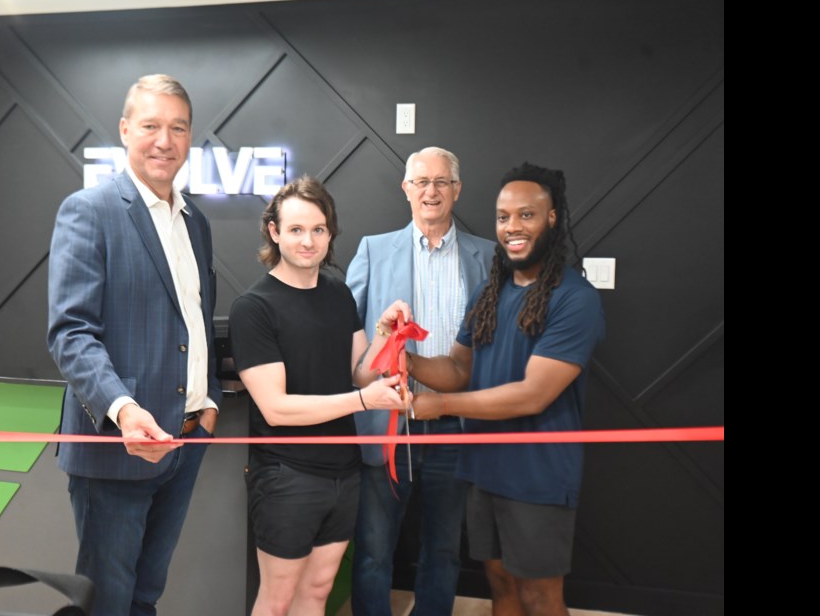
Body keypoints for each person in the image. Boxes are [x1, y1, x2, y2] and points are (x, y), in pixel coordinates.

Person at [47, 74, 220, 616]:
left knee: (145, 595)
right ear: (125, 130)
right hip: (117, 450)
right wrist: (123, 411)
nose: (164, 140)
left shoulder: (196, 223)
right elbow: (71, 332)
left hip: (183, 444)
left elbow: (193, 321)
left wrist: (208, 402)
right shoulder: (89, 210)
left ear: (191, 138)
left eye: (177, 128)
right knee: (107, 600)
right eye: (150, 126)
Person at [408, 162, 605, 616]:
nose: (511, 227)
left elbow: (533, 394)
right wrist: (405, 359)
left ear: (551, 217)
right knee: (501, 587)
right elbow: (459, 367)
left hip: (538, 476)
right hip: (483, 468)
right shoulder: (489, 291)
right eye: (502, 216)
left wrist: (440, 406)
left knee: (540, 596)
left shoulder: (576, 299)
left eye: (526, 215)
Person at [229, 176, 410, 616]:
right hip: (286, 474)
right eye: (295, 230)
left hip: (343, 471)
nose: (307, 241)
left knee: (319, 590)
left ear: (330, 233)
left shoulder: (338, 292)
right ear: (274, 232)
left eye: (318, 229)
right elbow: (276, 408)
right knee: (278, 599)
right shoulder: (254, 308)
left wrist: (385, 335)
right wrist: (363, 402)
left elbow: (361, 371)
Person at [346, 146, 494, 615]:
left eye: (441, 182)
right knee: (373, 551)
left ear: (457, 190)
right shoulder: (373, 249)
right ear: (406, 189)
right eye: (421, 182)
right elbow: (350, 335)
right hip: (390, 423)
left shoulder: (487, 257)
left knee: (445, 549)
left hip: (456, 424)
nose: (431, 191)